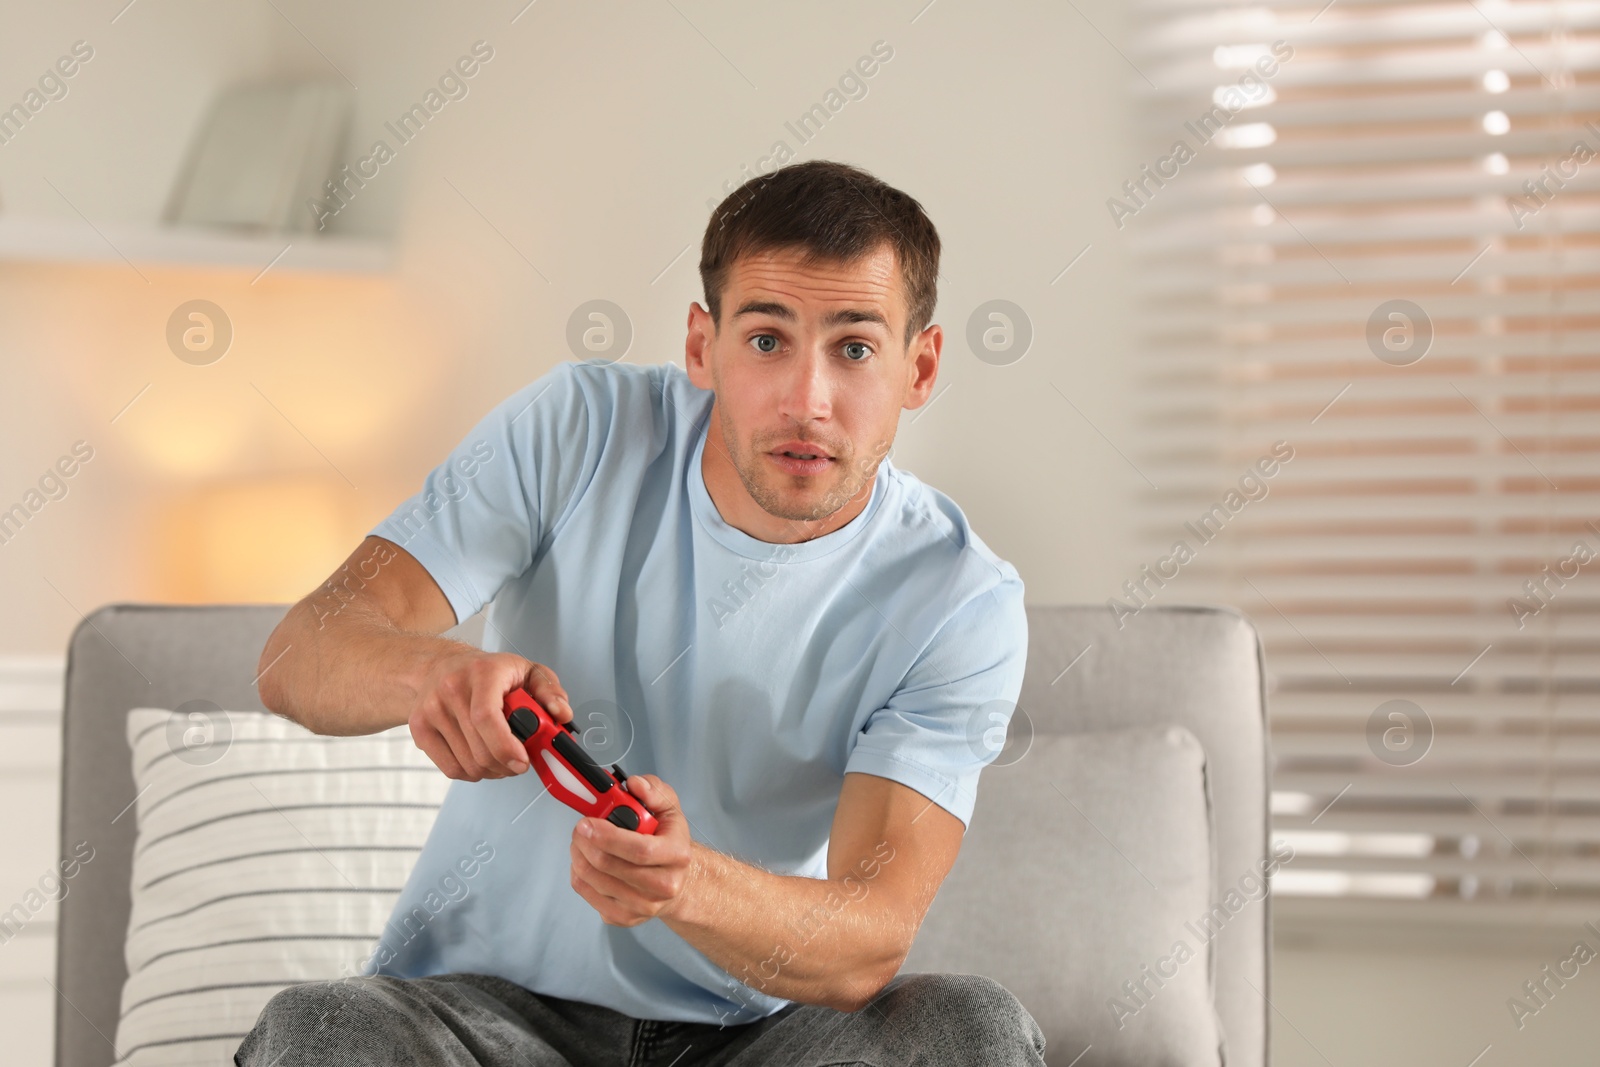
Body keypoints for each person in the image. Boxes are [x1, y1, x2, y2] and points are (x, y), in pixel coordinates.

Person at [238, 159, 1045, 1066]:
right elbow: (297, 656)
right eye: (767, 340)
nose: (806, 402)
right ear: (702, 345)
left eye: (854, 349)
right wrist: (433, 672)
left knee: (966, 1027)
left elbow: (871, 934)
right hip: (483, 1021)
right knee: (323, 1029)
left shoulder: (959, 598)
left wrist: (683, 884)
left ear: (920, 366)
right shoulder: (575, 430)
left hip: (755, 1038)